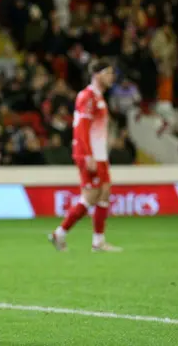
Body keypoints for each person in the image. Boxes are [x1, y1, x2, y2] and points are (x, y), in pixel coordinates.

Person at [49, 60, 123, 253]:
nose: (111, 77)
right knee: (90, 196)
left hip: (100, 155)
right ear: (96, 74)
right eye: (108, 72)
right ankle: (60, 233)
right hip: (88, 154)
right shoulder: (87, 96)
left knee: (105, 191)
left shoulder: (98, 97)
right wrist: (87, 155)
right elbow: (81, 128)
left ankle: (98, 241)